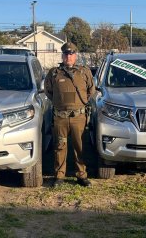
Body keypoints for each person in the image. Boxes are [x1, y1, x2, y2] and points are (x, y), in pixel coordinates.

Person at [45, 42, 95, 187]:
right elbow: (49, 92)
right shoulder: (54, 73)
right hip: (60, 117)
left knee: (80, 147)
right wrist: (61, 103)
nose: (69, 57)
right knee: (60, 147)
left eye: (71, 54)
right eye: (66, 54)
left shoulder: (84, 72)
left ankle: (81, 175)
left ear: (76, 55)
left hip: (78, 117)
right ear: (62, 55)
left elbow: (90, 90)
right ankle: (59, 176)